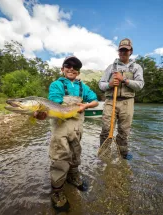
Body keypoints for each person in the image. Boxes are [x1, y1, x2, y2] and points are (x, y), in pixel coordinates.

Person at [35, 56, 98, 212]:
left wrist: (87, 105)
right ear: (62, 69)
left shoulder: (83, 87)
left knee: (76, 152)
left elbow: (95, 101)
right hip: (60, 127)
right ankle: (57, 191)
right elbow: (53, 104)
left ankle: (73, 175)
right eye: (67, 66)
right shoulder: (56, 85)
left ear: (78, 72)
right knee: (60, 156)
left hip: (77, 127)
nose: (71, 68)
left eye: (75, 67)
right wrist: (42, 114)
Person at [98, 38, 144, 160]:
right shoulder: (110, 67)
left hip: (127, 102)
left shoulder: (136, 67)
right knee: (106, 129)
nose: (123, 52)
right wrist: (110, 84)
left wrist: (124, 79)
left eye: (126, 50)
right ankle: (104, 153)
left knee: (124, 131)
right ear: (118, 51)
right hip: (110, 101)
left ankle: (123, 154)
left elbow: (140, 85)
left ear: (131, 51)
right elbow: (101, 84)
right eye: (121, 50)